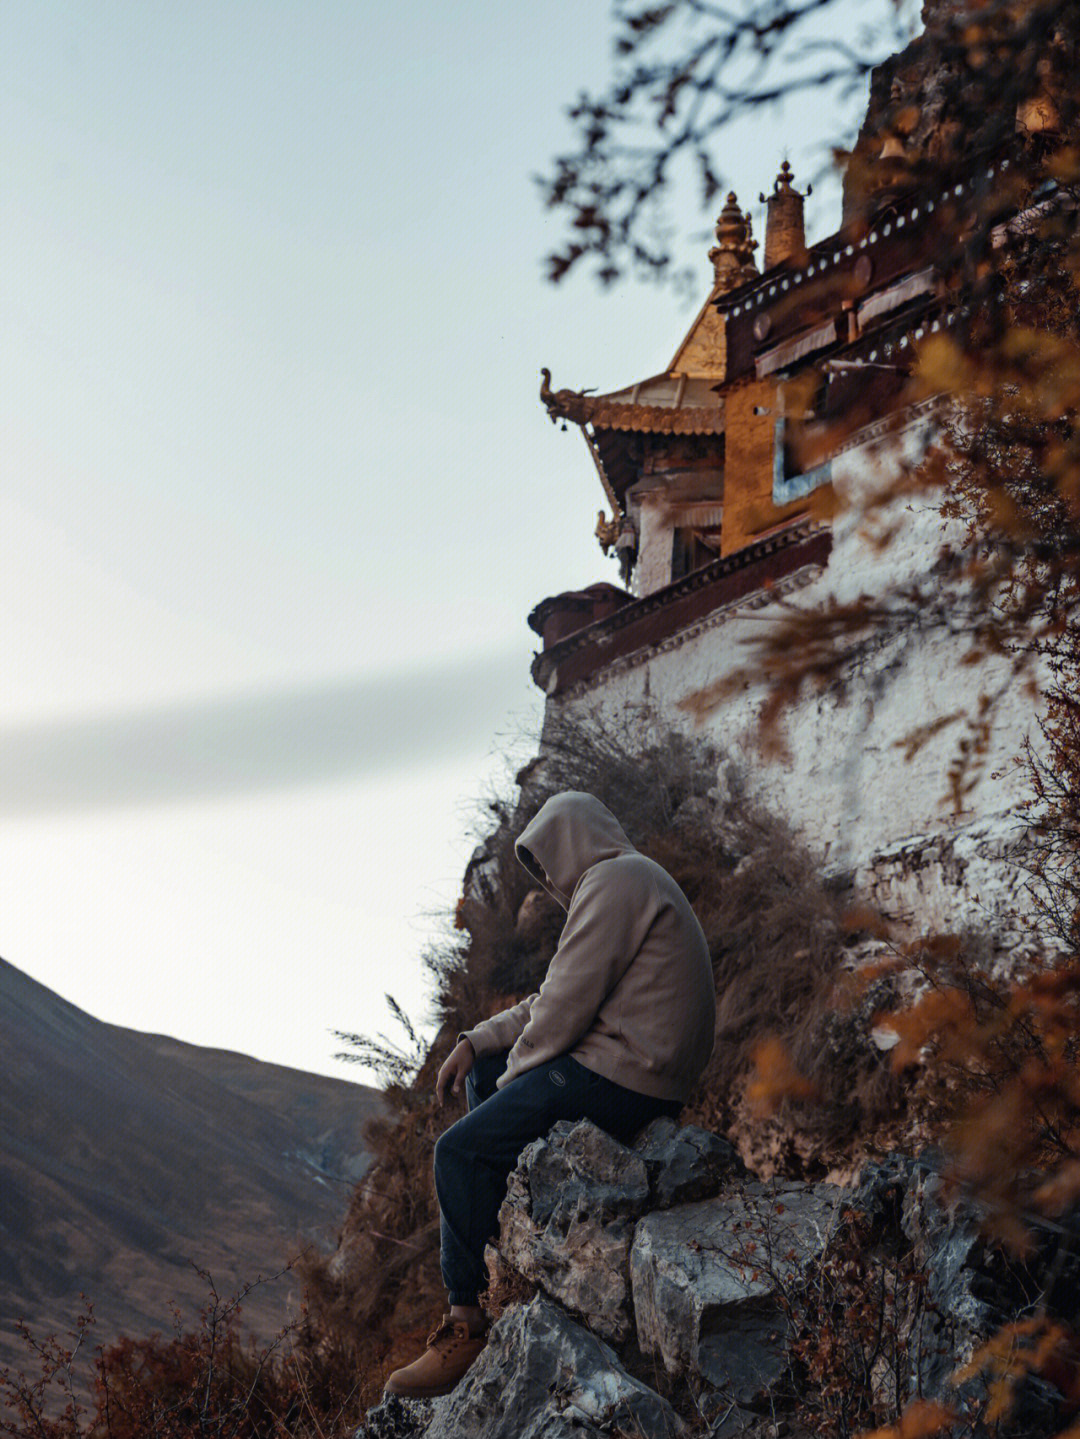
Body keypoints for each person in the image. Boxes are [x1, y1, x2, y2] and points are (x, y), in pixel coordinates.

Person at [382, 790, 716, 1399]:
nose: (547, 875)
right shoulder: (627, 882)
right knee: (482, 1077)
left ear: (572, 840)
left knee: (458, 1153)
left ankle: (466, 1320)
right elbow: (549, 995)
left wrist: (513, 1089)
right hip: (636, 1070)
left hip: (626, 1077)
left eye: (546, 858)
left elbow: (561, 1011)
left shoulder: (616, 882)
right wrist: (476, 1041)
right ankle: (501, 1242)